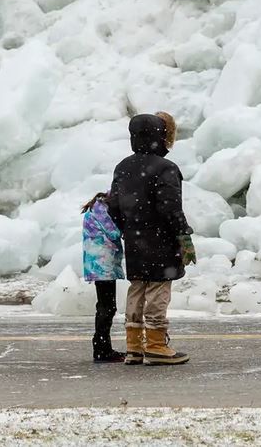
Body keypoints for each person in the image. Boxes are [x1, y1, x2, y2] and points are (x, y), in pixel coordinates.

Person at [107, 112, 192, 366]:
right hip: (161, 239)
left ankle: (134, 347)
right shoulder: (166, 168)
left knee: (137, 288)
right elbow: (170, 208)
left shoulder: (122, 167)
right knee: (158, 288)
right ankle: (155, 344)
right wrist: (183, 235)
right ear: (160, 136)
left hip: (134, 239)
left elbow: (113, 206)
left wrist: (128, 228)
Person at [81, 192, 125, 363]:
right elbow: (114, 233)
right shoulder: (102, 212)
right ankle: (101, 348)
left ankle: (102, 346)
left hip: (97, 262)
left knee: (105, 306)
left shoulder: (95, 209)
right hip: (102, 263)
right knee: (107, 307)